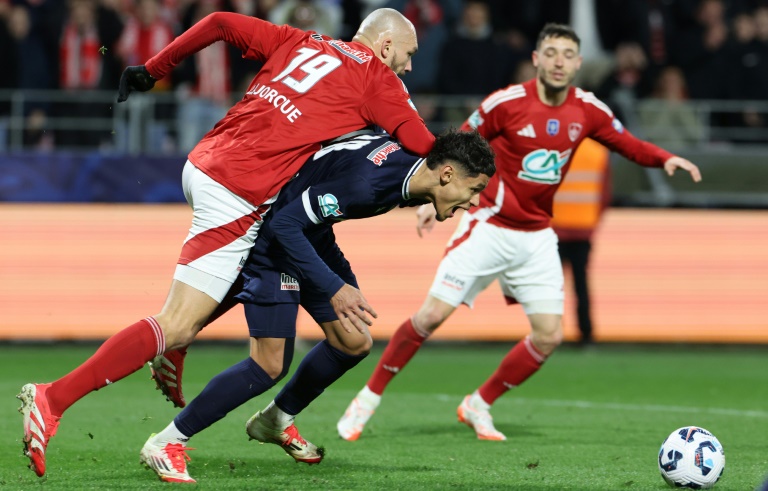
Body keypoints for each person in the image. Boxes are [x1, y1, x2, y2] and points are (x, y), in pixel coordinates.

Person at [18, 8, 435, 478]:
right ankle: (54, 398)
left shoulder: (301, 40)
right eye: (408, 54)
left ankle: (222, 380)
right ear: (384, 47)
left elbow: (217, 21)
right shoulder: (378, 80)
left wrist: (150, 71)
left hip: (206, 161)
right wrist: (453, 183)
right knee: (177, 323)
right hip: (241, 189)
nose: (409, 66)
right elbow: (430, 149)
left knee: (332, 334)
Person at [337, 22, 702, 442]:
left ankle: (478, 404)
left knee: (549, 336)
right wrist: (432, 196)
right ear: (536, 60)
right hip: (488, 225)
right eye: (550, 53)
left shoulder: (588, 109)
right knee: (430, 316)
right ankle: (367, 398)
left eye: (567, 55)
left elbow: (627, 143)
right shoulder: (506, 103)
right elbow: (457, 146)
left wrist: (665, 159)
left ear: (579, 63)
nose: (559, 62)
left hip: (537, 235)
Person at [138, 129, 495, 483]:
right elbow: (284, 224)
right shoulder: (366, 185)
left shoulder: (412, 165)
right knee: (269, 364)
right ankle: (169, 440)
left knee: (352, 341)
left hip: (314, 234)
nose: (475, 201)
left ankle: (274, 419)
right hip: (274, 239)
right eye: (474, 189)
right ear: (446, 174)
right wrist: (333, 287)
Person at [550, 138, 611, 346]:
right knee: (581, 285)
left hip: (554, 228)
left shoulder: (553, 148)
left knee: (550, 287)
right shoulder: (598, 151)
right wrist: (593, 221)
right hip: (584, 229)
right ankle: (586, 335)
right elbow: (604, 193)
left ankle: (550, 334)